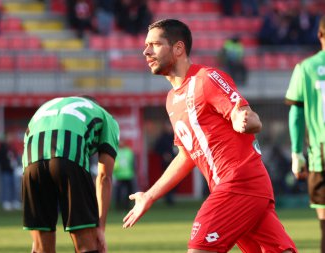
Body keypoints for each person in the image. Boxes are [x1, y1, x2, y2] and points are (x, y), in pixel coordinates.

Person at [122, 19, 297, 253]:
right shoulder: (172, 100)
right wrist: (150, 196)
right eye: (146, 45)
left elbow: (245, 114)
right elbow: (186, 155)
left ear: (178, 48)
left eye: (154, 44)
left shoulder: (206, 79)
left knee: (200, 248)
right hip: (239, 187)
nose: (146, 51)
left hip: (239, 181)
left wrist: (243, 120)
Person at [22, 96, 120, 253]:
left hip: (31, 160)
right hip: (69, 156)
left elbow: (27, 147)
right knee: (86, 246)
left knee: (41, 249)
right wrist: (99, 228)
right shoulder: (105, 116)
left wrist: (38, 237)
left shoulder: (46, 108)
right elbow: (103, 176)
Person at [285, 15, 325, 253]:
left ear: (320, 34)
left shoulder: (306, 68)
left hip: (321, 156)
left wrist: (296, 153)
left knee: (324, 225)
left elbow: (296, 115)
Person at [0, 134, 20, 211]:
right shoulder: (2, 148)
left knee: (14, 186)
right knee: (6, 187)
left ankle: (15, 201)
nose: (10, 139)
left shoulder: (12, 147)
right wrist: (5, 166)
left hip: (13, 170)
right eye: (9, 138)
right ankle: (6, 202)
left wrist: (16, 164)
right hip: (5, 170)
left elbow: (15, 157)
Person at [154, 121, 177, 205]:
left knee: (175, 180)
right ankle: (168, 197)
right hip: (165, 163)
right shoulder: (162, 138)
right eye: (168, 126)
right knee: (167, 179)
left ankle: (171, 197)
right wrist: (164, 154)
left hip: (175, 162)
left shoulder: (175, 136)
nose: (169, 128)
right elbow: (156, 149)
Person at [113, 139, 135, 210]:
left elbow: (132, 163)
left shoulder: (128, 151)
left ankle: (127, 206)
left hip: (128, 175)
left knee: (129, 192)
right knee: (118, 192)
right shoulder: (116, 152)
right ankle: (118, 206)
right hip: (119, 175)